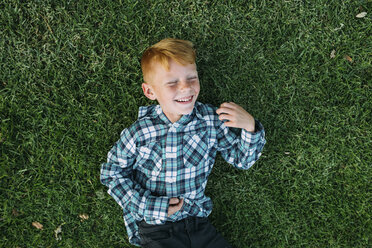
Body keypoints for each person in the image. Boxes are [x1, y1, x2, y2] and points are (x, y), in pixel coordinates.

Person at [100, 38, 266, 248]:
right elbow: (112, 173)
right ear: (150, 91)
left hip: (198, 223)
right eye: (172, 83)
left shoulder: (210, 121)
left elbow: (242, 160)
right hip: (156, 227)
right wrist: (152, 205)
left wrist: (249, 127)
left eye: (192, 78)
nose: (186, 87)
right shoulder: (140, 132)